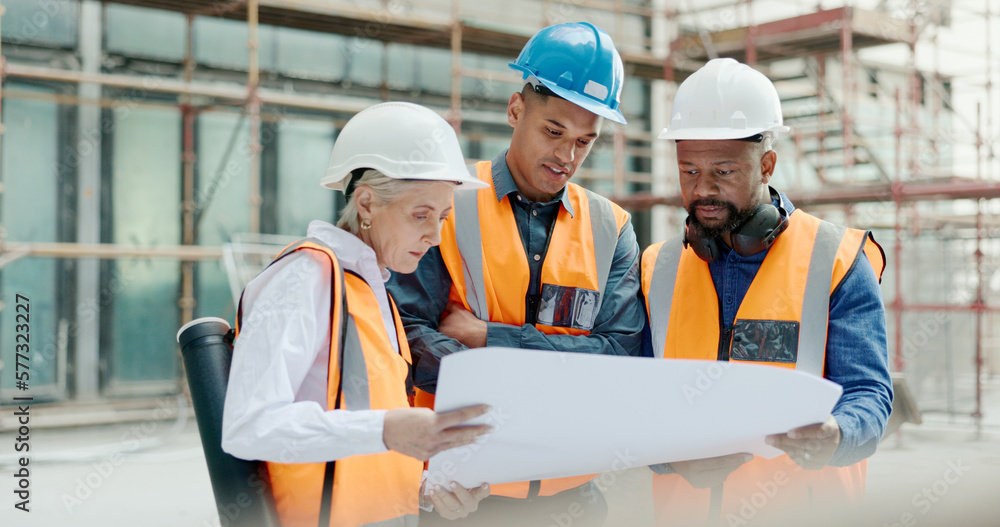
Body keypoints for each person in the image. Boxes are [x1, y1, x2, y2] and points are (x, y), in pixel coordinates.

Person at [387, 22, 647, 526]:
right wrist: (558, 369)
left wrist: (488, 338)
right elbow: (405, 335)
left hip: (573, 496)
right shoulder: (448, 203)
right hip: (462, 494)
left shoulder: (611, 228)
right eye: (554, 132)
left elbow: (618, 358)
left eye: (584, 142)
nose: (566, 157)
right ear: (515, 109)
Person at [641, 57, 893, 525]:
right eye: (689, 171)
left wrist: (837, 434)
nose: (704, 191)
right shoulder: (657, 268)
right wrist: (669, 457)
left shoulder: (835, 260)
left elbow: (869, 393)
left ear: (767, 165)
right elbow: (629, 402)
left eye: (724, 171)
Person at [222, 102, 497, 527]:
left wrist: (426, 488)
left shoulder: (373, 292)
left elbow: (362, 438)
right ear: (366, 203)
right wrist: (387, 430)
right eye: (421, 215)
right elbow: (249, 425)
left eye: (442, 217)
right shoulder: (305, 278)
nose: (435, 236)